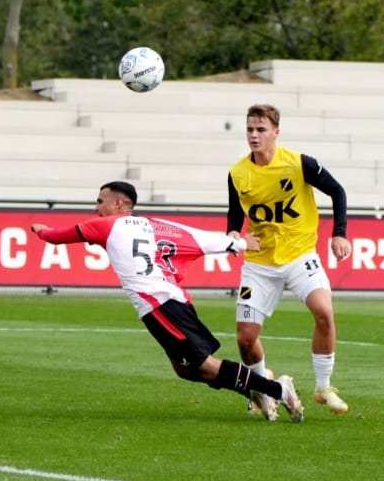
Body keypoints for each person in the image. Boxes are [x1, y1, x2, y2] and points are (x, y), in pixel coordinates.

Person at [32, 180, 304, 422]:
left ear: (118, 203)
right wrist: (239, 244)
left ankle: (276, 389)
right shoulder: (154, 224)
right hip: (174, 300)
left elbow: (59, 237)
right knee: (183, 370)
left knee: (205, 365)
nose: (96, 207)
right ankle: (256, 386)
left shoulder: (103, 225)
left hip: (159, 305)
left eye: (100, 201)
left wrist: (41, 230)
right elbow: (198, 239)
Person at [226, 103, 352, 417]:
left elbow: (337, 191)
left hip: (300, 256)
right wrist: (233, 236)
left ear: (276, 133)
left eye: (261, 130)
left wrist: (339, 233)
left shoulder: (299, 164)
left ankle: (324, 387)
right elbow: (234, 213)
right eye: (250, 130)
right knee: (245, 338)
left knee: (324, 311)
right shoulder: (238, 173)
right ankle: (262, 388)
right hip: (257, 265)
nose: (254, 136)